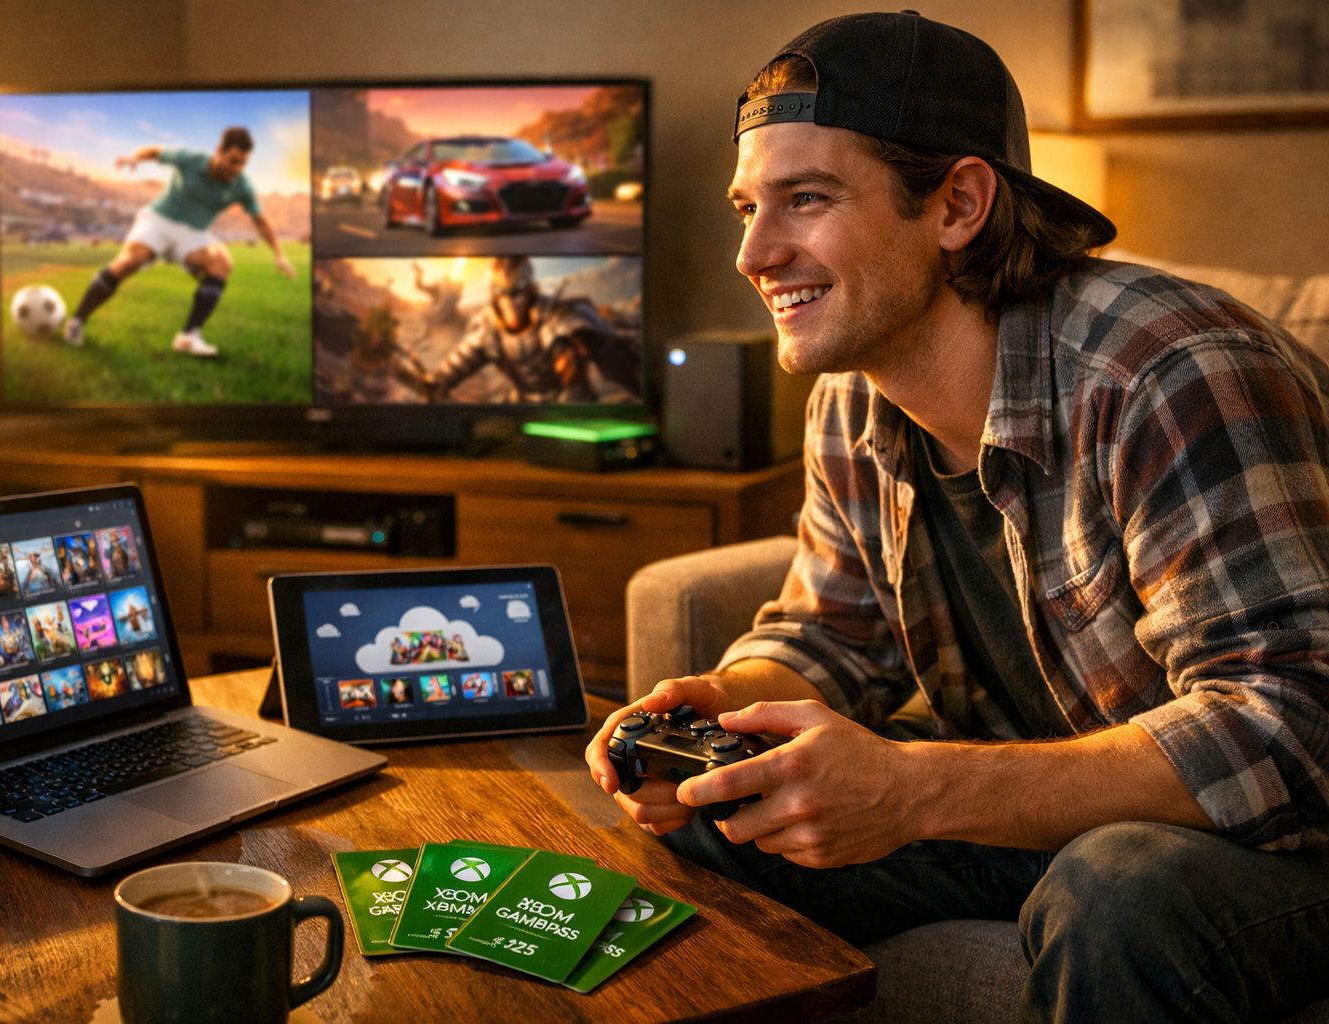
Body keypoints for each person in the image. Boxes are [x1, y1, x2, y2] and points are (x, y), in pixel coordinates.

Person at [584, 11, 1329, 1021]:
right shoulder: (854, 397)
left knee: (1116, 885)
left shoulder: (1168, 373)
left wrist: (913, 787)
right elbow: (833, 635)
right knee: (714, 816)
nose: (753, 252)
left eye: (805, 198)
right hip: (1034, 821)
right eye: (748, 205)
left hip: (1275, 853)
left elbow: (1289, 728)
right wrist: (722, 704)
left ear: (959, 203)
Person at [61, 125, 297, 358]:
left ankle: (188, 337)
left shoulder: (242, 186)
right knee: (131, 261)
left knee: (222, 264)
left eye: (243, 163)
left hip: (193, 233)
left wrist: (279, 254)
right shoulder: (191, 159)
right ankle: (77, 321)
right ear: (219, 151)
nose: (237, 168)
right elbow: (155, 152)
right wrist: (134, 158)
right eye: (233, 160)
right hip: (159, 220)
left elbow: (260, 220)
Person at [397, 255, 639, 403]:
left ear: (529, 289)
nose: (511, 301)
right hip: (521, 410)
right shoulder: (487, 328)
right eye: (503, 293)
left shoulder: (559, 318)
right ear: (495, 294)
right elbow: (457, 365)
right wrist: (430, 384)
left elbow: (589, 377)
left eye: (517, 291)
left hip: (570, 416)